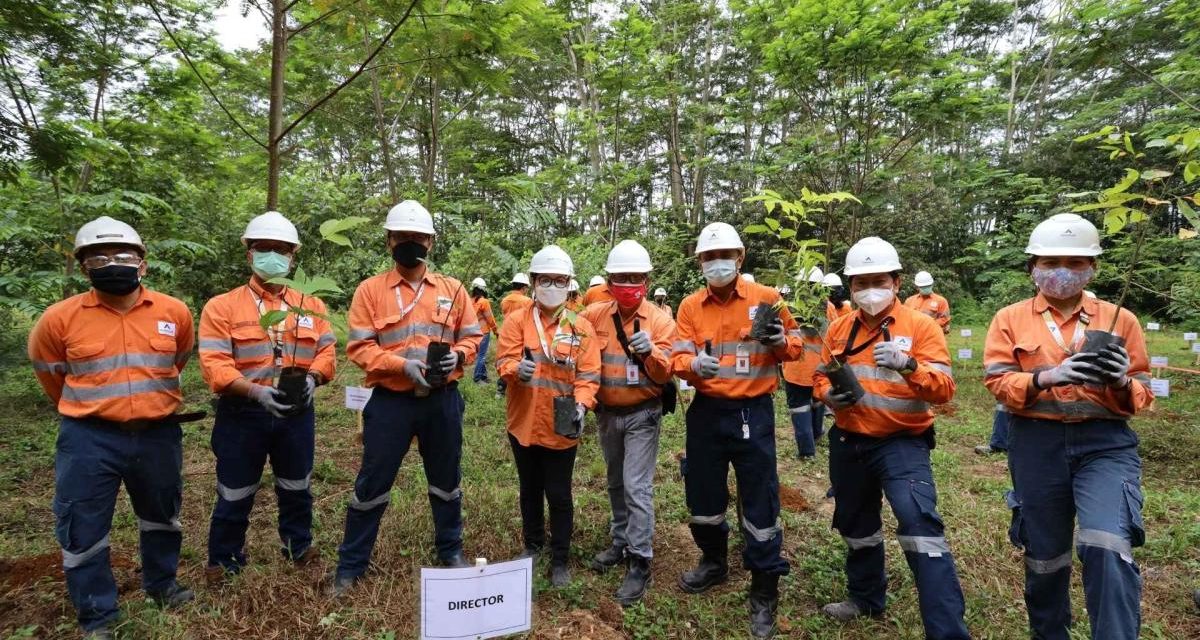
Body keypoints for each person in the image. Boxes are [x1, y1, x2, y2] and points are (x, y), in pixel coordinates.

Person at [983, 213, 1152, 640]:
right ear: (1033, 267)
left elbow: (1143, 395)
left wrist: (1120, 381)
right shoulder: (1009, 318)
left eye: (1076, 263)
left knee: (1107, 544)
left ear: (1093, 267)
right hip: (1036, 442)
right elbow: (998, 383)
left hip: (1104, 443)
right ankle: (1049, 632)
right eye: (1052, 261)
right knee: (1044, 555)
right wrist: (1045, 378)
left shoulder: (1119, 319)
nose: (1063, 272)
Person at [28, 216, 197, 638]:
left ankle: (162, 585)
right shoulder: (58, 319)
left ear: (142, 263)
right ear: (84, 266)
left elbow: (179, 359)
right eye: (99, 257)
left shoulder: (173, 312)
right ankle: (98, 615)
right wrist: (95, 407)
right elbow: (51, 374)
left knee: (162, 515)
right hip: (89, 437)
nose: (112, 263)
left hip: (158, 432)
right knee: (83, 526)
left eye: (124, 255)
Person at [812, 236, 969, 640]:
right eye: (859, 283)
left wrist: (910, 365)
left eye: (876, 280)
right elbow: (819, 376)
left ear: (896, 282)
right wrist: (826, 393)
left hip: (902, 442)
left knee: (918, 524)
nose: (868, 290)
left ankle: (947, 629)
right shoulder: (840, 328)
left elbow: (945, 389)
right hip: (848, 440)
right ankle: (865, 596)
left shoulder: (921, 326)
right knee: (856, 523)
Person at [332, 201, 483, 595]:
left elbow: (473, 336)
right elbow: (360, 347)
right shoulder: (370, 291)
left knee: (446, 480)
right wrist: (400, 365)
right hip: (390, 401)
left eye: (417, 238)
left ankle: (450, 551)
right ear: (388, 241)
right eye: (402, 237)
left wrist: (461, 354)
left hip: (441, 400)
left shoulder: (454, 289)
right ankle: (351, 566)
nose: (409, 244)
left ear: (430, 242)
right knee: (372, 482)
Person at [670, 222, 803, 639]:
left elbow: (797, 347)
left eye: (724, 255)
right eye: (708, 257)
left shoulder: (767, 298)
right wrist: (691, 365)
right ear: (699, 262)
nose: (716, 263)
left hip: (753, 411)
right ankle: (714, 560)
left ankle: (764, 588)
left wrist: (782, 341)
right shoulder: (690, 306)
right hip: (707, 411)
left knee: (760, 498)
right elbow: (676, 353)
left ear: (740, 258)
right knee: (703, 495)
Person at [198, 211, 337, 585]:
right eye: (264, 249)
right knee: (235, 489)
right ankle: (224, 560)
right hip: (242, 413)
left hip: (296, 413)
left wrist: (313, 377)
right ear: (249, 254)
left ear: (293, 257)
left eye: (282, 250)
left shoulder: (312, 305)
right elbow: (214, 364)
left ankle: (298, 545)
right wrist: (255, 390)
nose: (273, 256)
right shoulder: (222, 307)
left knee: (297, 484)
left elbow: (327, 353)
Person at [497, 245, 601, 587]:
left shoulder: (581, 326)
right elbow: (503, 361)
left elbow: (588, 375)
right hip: (524, 420)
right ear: (533, 281)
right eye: (545, 280)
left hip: (562, 424)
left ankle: (560, 559)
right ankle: (532, 546)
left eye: (559, 281)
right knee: (529, 489)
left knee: (559, 493)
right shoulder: (516, 321)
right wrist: (515, 369)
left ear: (569, 284)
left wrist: (583, 404)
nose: (552, 286)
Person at [580, 240, 677, 606]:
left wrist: (650, 350)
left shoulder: (661, 320)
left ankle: (640, 558)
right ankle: (620, 541)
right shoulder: (593, 316)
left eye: (635, 277)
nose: (628, 284)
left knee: (636, 485)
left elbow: (667, 370)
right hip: (607, 414)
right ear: (609, 281)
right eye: (621, 278)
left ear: (647, 281)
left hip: (643, 414)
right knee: (615, 481)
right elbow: (573, 342)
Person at [782, 267, 827, 459]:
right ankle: (816, 434)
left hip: (797, 368)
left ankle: (807, 452)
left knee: (799, 407)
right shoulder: (828, 307)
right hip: (821, 368)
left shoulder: (791, 308)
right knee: (817, 402)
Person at [497, 273, 533, 396]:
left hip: (506, 334)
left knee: (506, 361)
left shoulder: (504, 301)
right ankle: (518, 389)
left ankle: (500, 388)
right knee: (519, 363)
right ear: (524, 288)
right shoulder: (527, 301)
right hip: (522, 335)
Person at [471, 278, 499, 383]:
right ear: (483, 289)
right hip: (483, 332)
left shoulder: (470, 300)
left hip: (472, 333)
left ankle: (483, 376)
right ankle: (477, 377)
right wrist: (496, 331)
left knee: (480, 355)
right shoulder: (484, 302)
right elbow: (490, 318)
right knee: (481, 356)